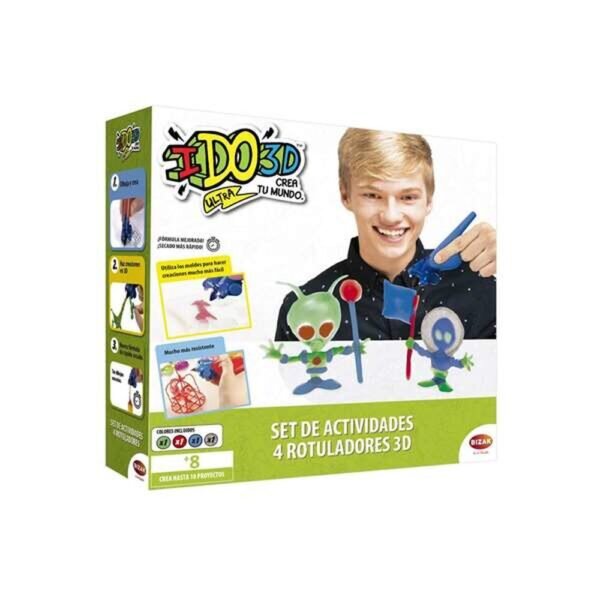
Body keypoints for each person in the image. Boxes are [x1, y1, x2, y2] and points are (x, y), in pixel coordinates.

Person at [275, 128, 496, 342]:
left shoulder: (483, 286)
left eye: (408, 197)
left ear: (428, 200)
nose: (391, 216)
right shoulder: (302, 310)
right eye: (372, 195)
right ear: (345, 195)